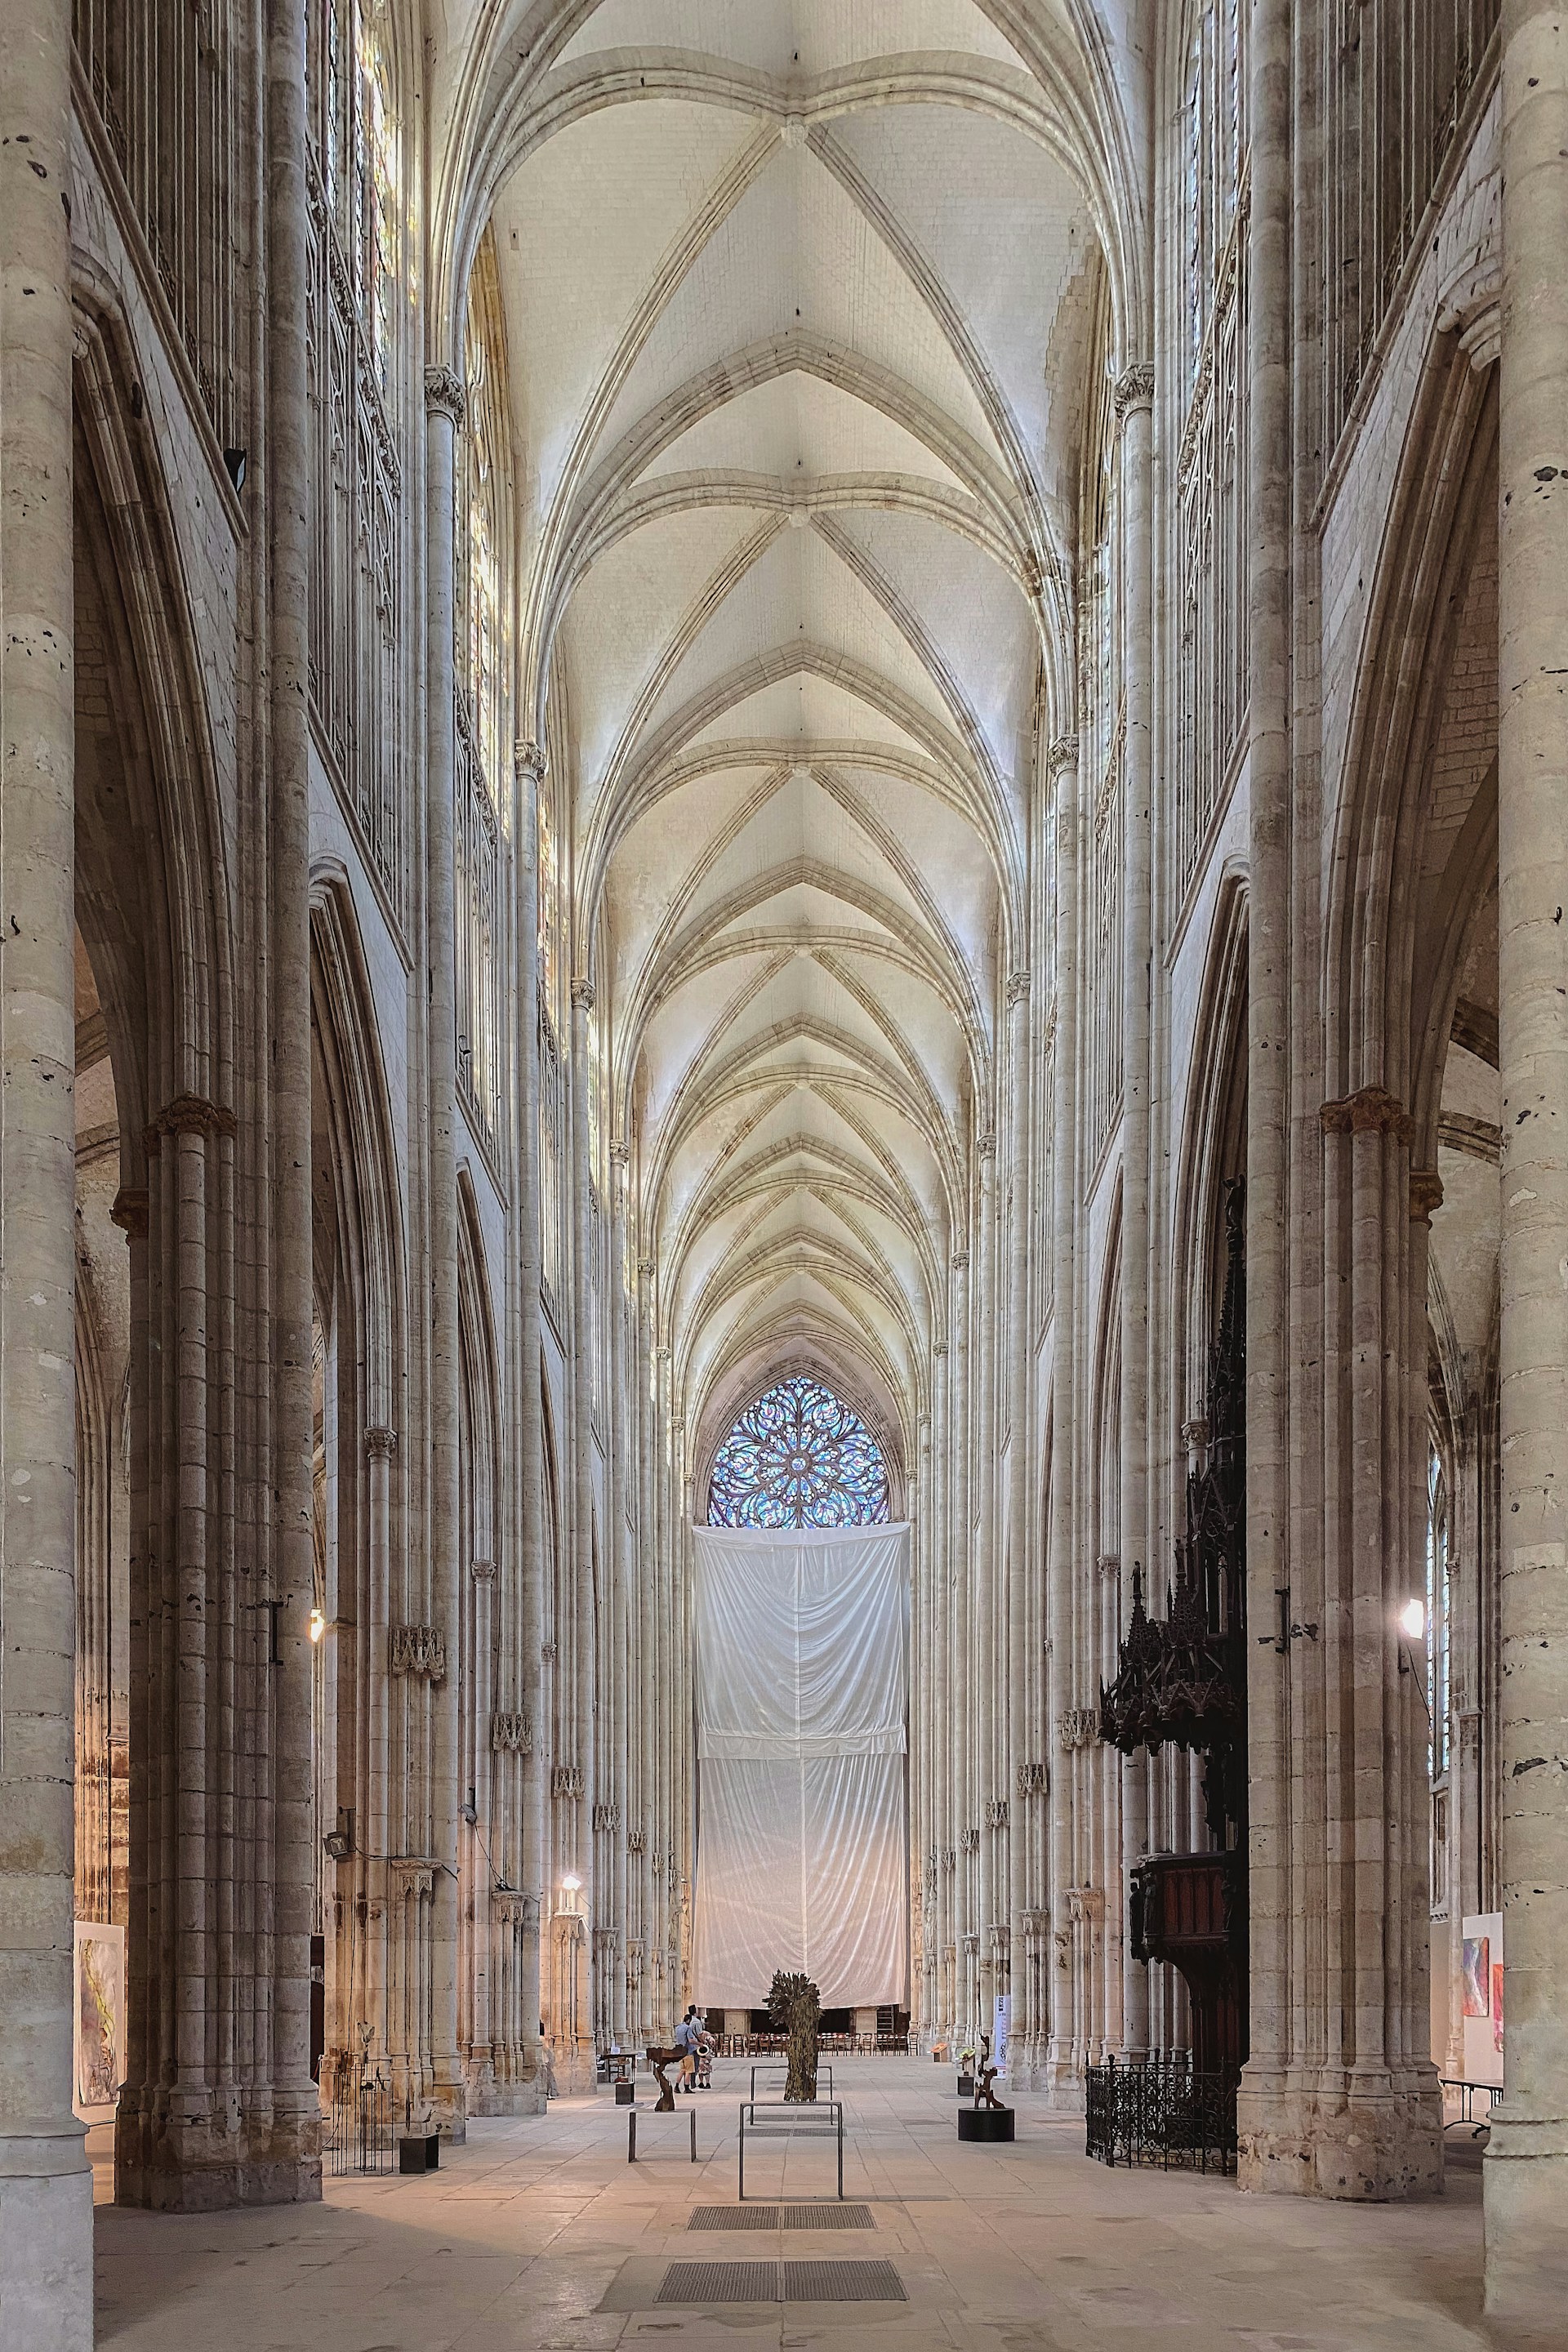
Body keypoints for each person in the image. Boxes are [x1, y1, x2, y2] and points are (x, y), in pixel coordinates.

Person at [675, 2004, 698, 2091]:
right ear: (688, 2020)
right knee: (688, 2071)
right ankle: (687, 2088)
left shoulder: (678, 2028)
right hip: (688, 2052)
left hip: (680, 2052)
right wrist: (699, 2044)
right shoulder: (687, 2028)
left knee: (682, 2070)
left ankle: (676, 2086)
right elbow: (691, 2040)